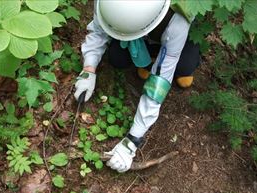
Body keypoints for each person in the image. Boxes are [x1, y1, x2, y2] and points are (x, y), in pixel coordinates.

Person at [74, 0, 200, 173]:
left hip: (171, 36)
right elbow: (99, 31)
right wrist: (89, 69)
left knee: (184, 66)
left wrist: (133, 139)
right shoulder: (107, 4)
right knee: (118, 58)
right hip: (141, 32)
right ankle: (145, 59)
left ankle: (160, 57)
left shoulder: (178, 20)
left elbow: (160, 80)